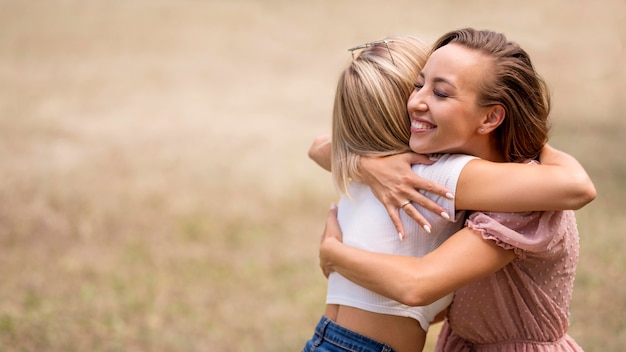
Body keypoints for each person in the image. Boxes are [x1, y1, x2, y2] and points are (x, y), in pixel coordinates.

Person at [304, 31, 595, 352]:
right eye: (418, 84)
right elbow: (319, 147)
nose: (415, 101)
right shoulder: (424, 166)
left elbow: (578, 186)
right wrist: (369, 165)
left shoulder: (480, 182)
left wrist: (333, 253)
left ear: (491, 117)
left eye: (440, 93)